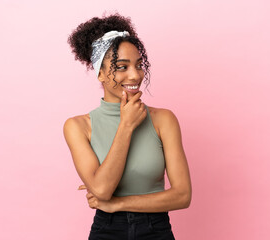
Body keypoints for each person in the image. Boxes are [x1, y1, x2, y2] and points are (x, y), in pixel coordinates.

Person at [63, 12, 192, 240]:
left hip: (156, 229)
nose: (135, 75)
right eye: (122, 67)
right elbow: (102, 189)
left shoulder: (164, 120)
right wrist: (126, 125)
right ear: (100, 74)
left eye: (139, 65)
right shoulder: (78, 127)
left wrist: (117, 204)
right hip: (107, 230)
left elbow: (182, 196)